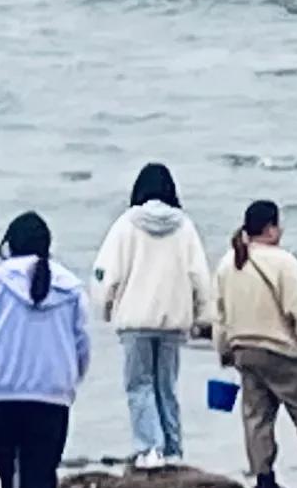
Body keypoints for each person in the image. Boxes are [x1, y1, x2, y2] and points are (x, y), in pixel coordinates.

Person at [0, 213, 91, 488]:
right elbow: (83, 344)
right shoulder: (71, 288)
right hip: (52, 397)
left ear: (10, 244)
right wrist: (71, 380)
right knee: (40, 484)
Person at [212, 200, 297, 488]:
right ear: (270, 229)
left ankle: (264, 480)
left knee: (256, 418)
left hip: (244, 351)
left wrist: (224, 351)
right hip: (283, 352)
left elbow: (218, 315)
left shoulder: (227, 263)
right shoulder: (283, 262)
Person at [89, 163, 214, 469]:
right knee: (166, 386)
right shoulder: (184, 227)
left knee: (139, 385)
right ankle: (173, 447)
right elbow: (200, 276)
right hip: (173, 322)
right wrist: (203, 316)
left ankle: (149, 448)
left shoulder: (125, 225)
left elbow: (106, 273)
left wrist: (104, 307)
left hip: (134, 321)